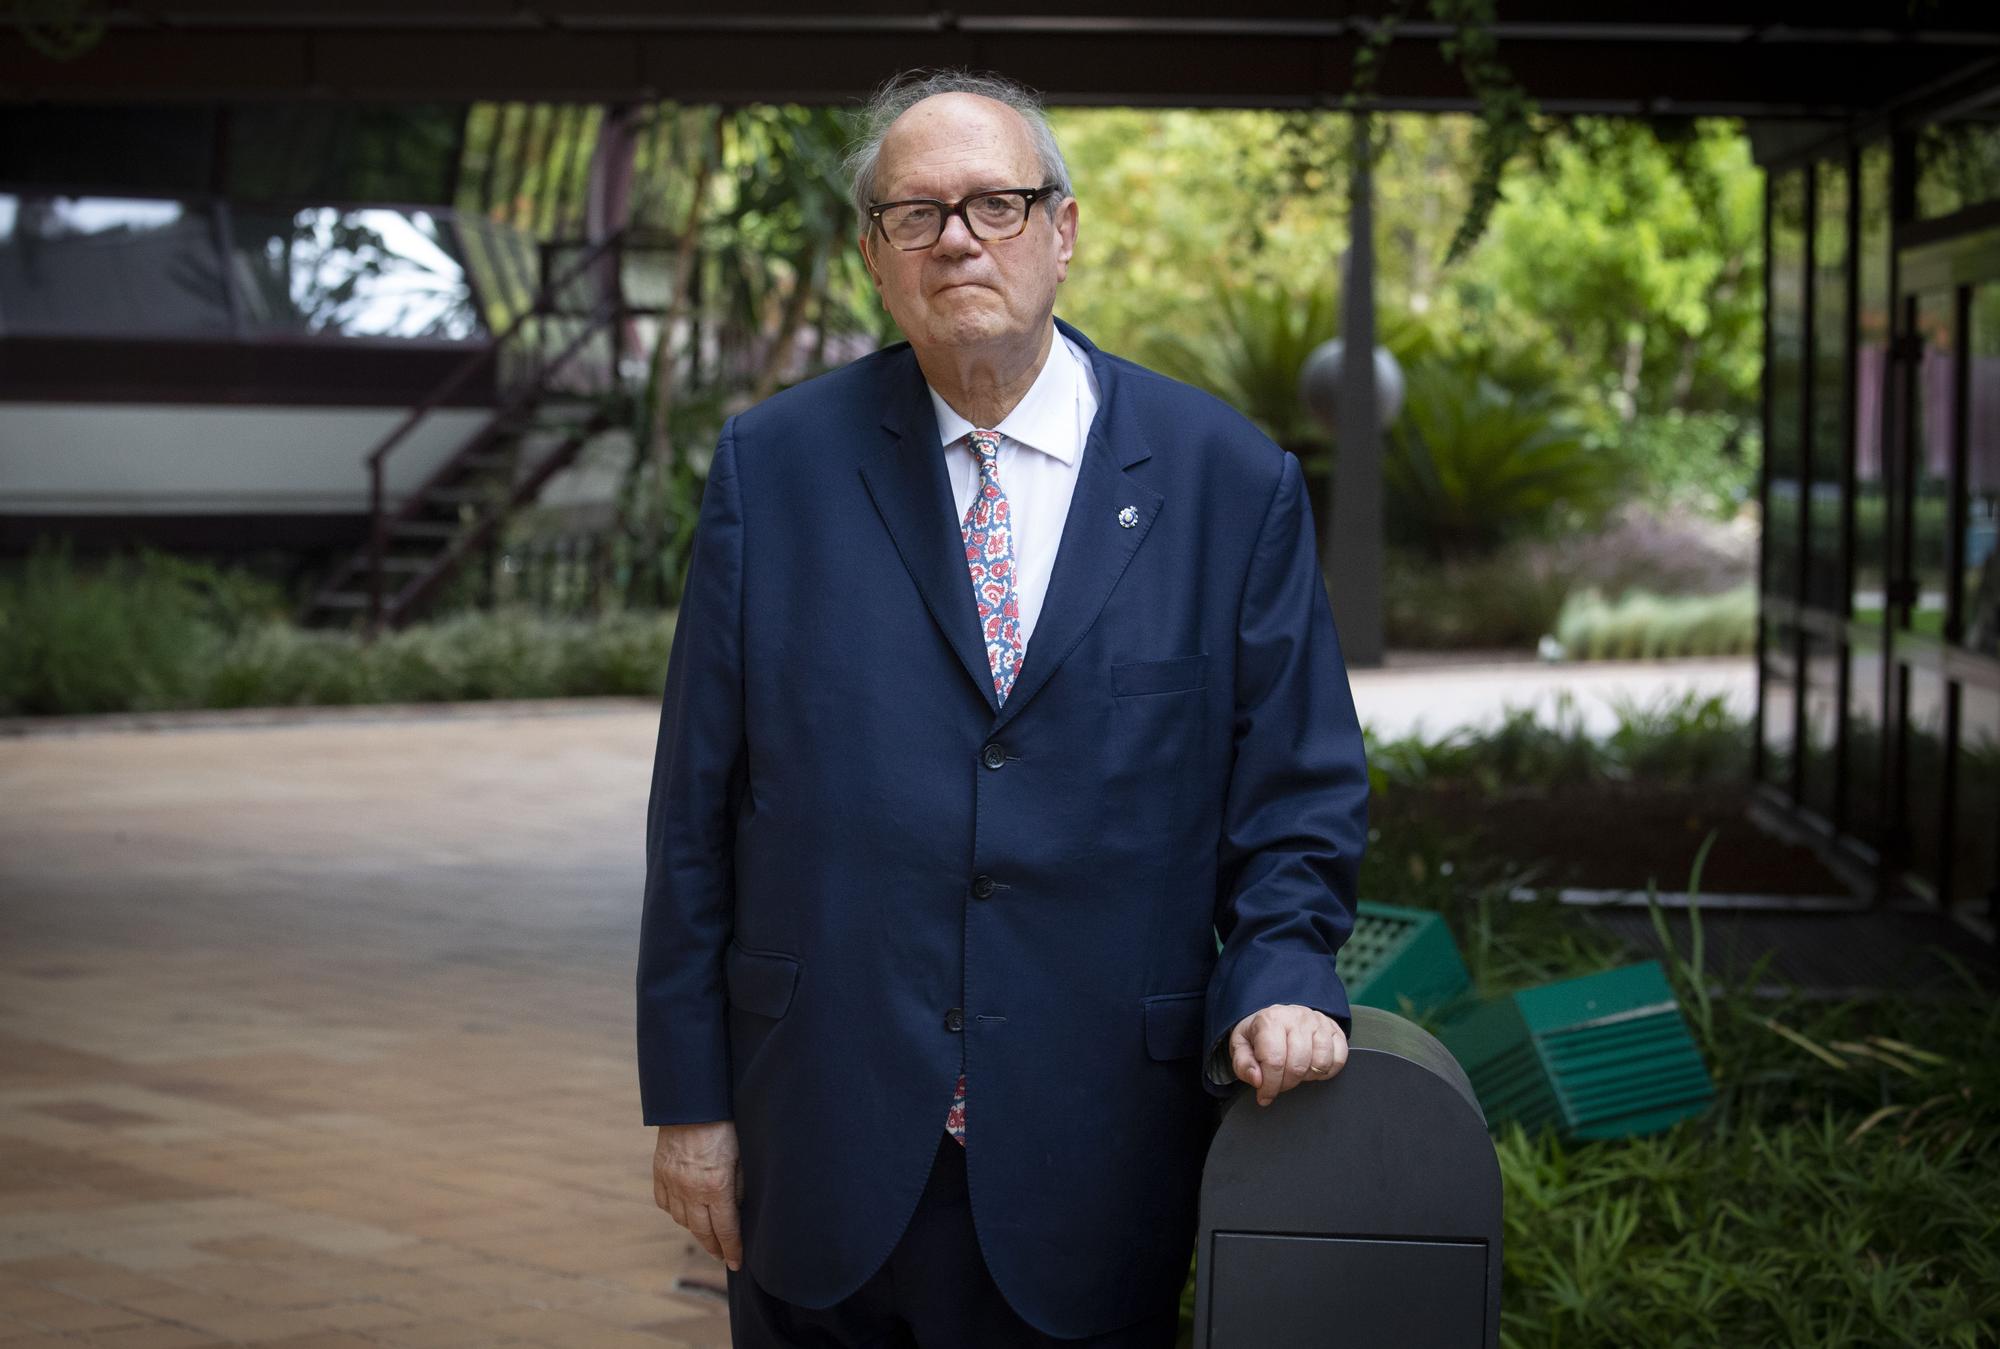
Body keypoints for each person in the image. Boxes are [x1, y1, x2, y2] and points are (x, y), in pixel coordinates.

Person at [637, 68, 1370, 1348]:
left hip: (1098, 1140)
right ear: (875, 259)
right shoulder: (774, 468)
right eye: (914, 214)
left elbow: (1295, 794)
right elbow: (694, 812)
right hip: (825, 1128)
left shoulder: (1225, 481)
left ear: (1064, 230)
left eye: (997, 203)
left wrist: (1283, 973)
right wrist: (689, 1101)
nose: (958, 237)